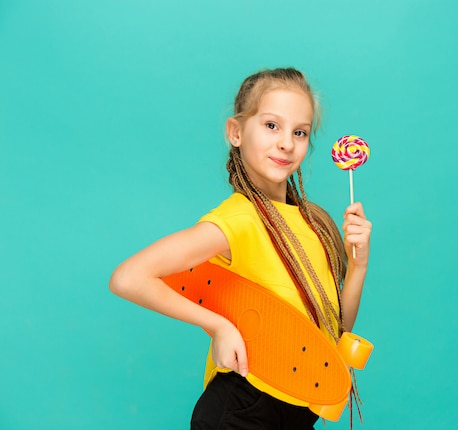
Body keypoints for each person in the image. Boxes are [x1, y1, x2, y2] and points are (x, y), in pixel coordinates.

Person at [109, 67, 372, 430]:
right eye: (271, 126)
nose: (286, 143)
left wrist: (357, 267)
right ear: (236, 132)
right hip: (242, 407)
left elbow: (332, 334)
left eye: (300, 132)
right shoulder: (239, 220)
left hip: (299, 412)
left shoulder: (316, 223)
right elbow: (128, 277)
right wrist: (218, 327)